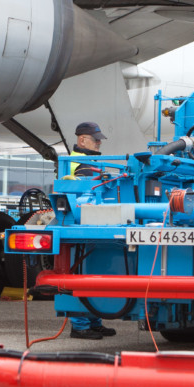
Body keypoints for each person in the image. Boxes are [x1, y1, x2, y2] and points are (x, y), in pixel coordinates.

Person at [68, 121, 117, 340]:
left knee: (93, 275)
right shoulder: (77, 164)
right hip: (79, 226)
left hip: (91, 224)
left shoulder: (88, 162)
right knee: (80, 276)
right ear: (82, 140)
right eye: (95, 139)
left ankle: (94, 321)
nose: (99, 143)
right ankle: (79, 326)